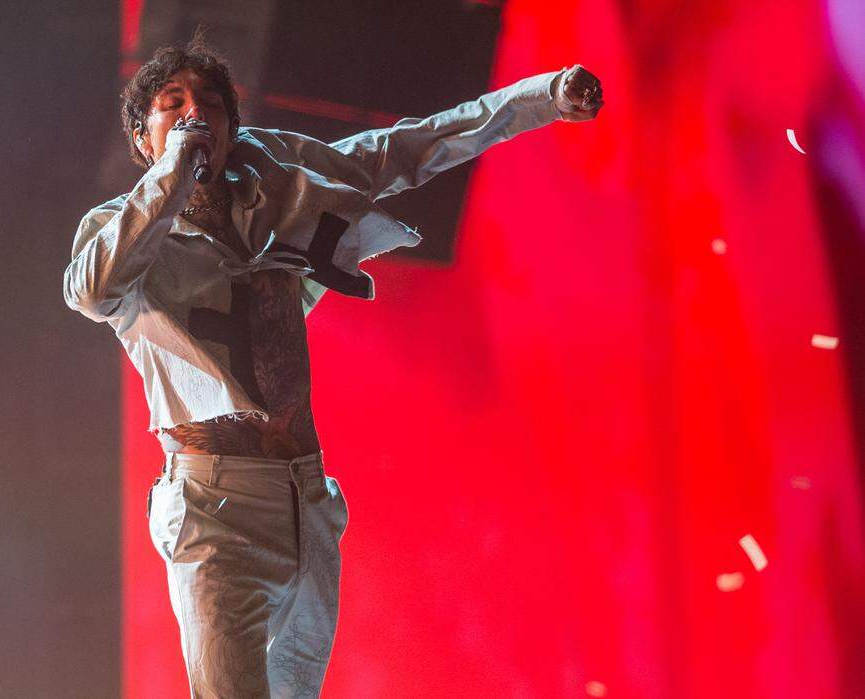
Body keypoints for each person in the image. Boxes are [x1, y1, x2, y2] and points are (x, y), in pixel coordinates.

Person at [64, 37, 602, 698]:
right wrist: (172, 175)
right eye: (171, 106)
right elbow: (91, 292)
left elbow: (413, 147)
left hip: (306, 503)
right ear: (145, 137)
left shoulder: (291, 190)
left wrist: (542, 96)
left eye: (209, 104)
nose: (193, 114)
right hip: (214, 511)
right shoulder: (120, 232)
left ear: (235, 129)